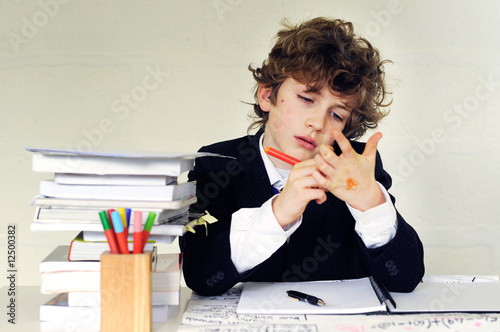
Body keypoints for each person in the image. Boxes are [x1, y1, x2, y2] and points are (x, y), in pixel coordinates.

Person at [179, 17, 424, 296]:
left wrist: (371, 204)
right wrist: (279, 212)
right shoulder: (215, 163)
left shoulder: (356, 168)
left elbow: (404, 279)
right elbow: (200, 275)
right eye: (307, 99)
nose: (317, 123)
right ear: (267, 95)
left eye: (336, 115)